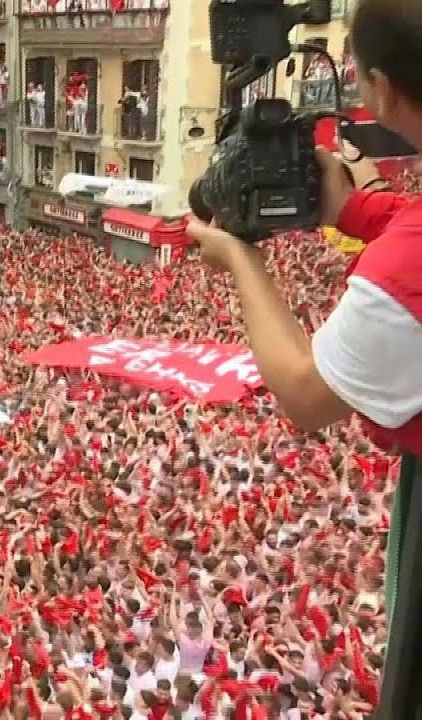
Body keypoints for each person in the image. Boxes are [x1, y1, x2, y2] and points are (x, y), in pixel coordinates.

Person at [184, 1, 422, 714]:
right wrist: (352, 208)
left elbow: (305, 393)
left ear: (377, 86)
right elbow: (405, 222)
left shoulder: (408, 271)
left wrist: (238, 256)